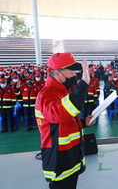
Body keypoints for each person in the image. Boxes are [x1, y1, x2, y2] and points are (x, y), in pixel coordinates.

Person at [35, 52, 96, 189]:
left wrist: (83, 123)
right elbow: (59, 114)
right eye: (71, 71)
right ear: (57, 74)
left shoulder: (62, 92)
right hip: (59, 158)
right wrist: (84, 83)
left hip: (70, 156)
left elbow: (66, 121)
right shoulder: (46, 95)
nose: (74, 75)